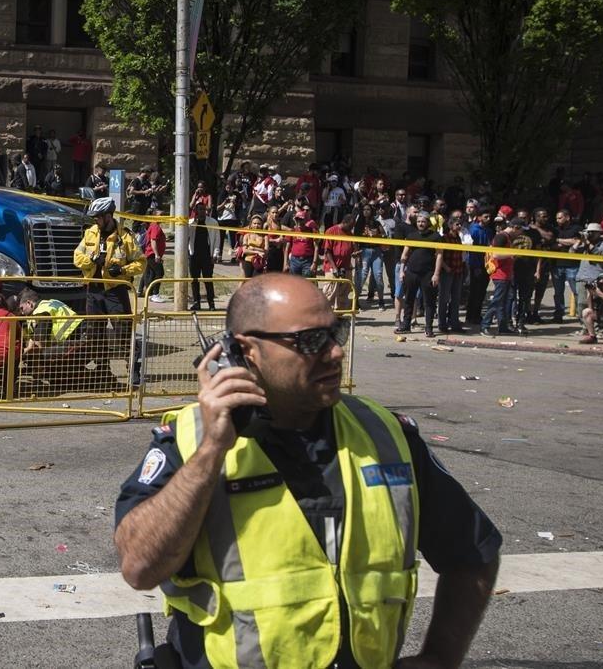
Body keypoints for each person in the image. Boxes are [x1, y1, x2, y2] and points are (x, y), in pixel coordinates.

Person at [114, 273, 502, 669]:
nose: (335, 353)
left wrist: (441, 656)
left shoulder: (385, 436)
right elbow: (141, 567)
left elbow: (474, 552)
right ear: (245, 352)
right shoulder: (190, 441)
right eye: (311, 341)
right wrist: (212, 451)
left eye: (337, 333)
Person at [73, 197, 146, 354]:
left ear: (108, 216)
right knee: (94, 336)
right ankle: (103, 371)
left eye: (98, 217)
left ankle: (134, 366)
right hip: (94, 291)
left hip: (116, 291)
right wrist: (91, 260)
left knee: (123, 332)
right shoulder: (90, 233)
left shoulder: (126, 237)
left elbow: (141, 263)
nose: (95, 221)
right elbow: (77, 257)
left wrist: (122, 270)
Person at [397, 211, 443, 336]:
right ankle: (406, 325)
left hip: (428, 273)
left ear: (428, 222)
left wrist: (436, 274)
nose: (420, 224)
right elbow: (404, 255)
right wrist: (402, 270)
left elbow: (439, 256)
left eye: (423, 221)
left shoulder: (436, 237)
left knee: (429, 302)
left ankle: (429, 328)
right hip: (411, 272)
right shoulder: (411, 235)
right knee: (409, 300)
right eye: (418, 221)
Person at [481, 219, 522, 336]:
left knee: (502, 302)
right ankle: (485, 325)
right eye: (520, 231)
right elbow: (496, 254)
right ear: (515, 227)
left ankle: (502, 327)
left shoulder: (507, 237)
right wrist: (512, 253)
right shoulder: (501, 237)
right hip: (500, 275)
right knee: (497, 301)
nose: (520, 234)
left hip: (506, 274)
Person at [319, 213, 356, 310]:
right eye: (350, 226)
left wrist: (354, 254)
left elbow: (350, 249)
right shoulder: (331, 231)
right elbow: (327, 251)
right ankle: (325, 315)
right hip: (332, 268)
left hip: (346, 268)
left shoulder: (350, 234)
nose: (351, 228)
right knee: (330, 292)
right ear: (345, 223)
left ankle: (339, 315)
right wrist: (335, 268)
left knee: (343, 294)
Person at [551, 209, 583, 322]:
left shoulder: (577, 229)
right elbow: (553, 244)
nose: (557, 220)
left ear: (567, 217)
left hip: (572, 265)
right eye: (556, 218)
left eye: (560, 218)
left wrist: (560, 241)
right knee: (558, 292)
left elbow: (577, 241)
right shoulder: (555, 230)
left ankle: (582, 316)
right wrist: (568, 242)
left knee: (577, 291)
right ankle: (558, 315)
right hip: (557, 265)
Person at [465, 207, 494, 325]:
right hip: (475, 264)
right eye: (485, 217)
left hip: (486, 264)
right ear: (479, 217)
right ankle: (470, 316)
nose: (488, 219)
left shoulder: (488, 230)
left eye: (489, 217)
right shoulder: (474, 230)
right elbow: (471, 249)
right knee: (474, 291)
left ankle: (477, 315)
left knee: (482, 291)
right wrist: (475, 265)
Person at [439, 213, 467, 333]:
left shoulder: (459, 238)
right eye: (457, 224)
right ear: (450, 225)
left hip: (458, 271)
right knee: (444, 299)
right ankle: (442, 324)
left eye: (460, 224)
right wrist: (445, 267)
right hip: (447, 272)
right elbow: (439, 255)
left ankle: (454, 323)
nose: (459, 226)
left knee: (456, 299)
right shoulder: (444, 238)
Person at [188, 209, 220, 311]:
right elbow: (186, 237)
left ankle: (211, 303)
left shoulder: (213, 222)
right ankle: (196, 302)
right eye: (199, 210)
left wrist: (215, 253)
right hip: (194, 255)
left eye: (202, 209)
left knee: (208, 279)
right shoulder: (190, 223)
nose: (201, 213)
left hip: (207, 255)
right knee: (194, 280)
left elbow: (217, 239)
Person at [140, 219, 167, 303]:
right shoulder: (155, 226)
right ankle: (155, 294)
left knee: (151, 274)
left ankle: (150, 293)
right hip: (152, 254)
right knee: (160, 273)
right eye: (159, 214)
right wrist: (156, 254)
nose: (162, 216)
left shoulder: (153, 226)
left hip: (150, 254)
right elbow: (153, 240)